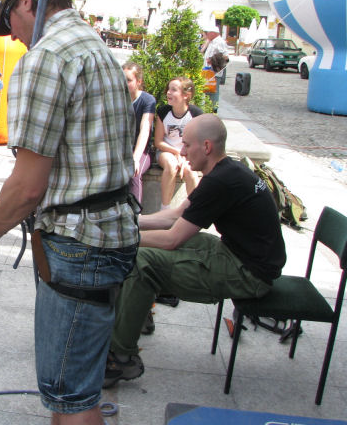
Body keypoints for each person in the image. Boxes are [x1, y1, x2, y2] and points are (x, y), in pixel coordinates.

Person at [0, 0, 138, 425]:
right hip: (107, 233)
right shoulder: (92, 44)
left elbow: (27, 185)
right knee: (72, 392)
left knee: (70, 398)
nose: (15, 36)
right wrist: (1, 217)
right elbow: (70, 161)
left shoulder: (46, 57)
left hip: (80, 243)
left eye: (10, 21)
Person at [104, 114, 287, 388]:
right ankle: (136, 315)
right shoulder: (227, 170)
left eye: (187, 145)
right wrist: (128, 222)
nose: (182, 151)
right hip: (240, 255)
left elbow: (171, 239)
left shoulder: (220, 182)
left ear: (207, 147)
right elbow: (176, 215)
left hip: (249, 275)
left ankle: (121, 358)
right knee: (155, 247)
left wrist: (120, 239)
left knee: (143, 260)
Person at [155, 77, 202, 210]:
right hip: (167, 151)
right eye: (168, 89)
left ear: (186, 95)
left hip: (188, 153)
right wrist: (177, 153)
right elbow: (158, 142)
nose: (168, 92)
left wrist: (185, 157)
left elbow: (198, 142)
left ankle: (194, 210)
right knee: (171, 165)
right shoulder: (163, 112)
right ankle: (165, 209)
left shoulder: (195, 114)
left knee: (191, 172)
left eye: (173, 90)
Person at [122, 61, 155, 205]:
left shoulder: (147, 100)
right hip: (122, 148)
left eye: (129, 80)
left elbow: (145, 129)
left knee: (134, 173)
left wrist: (135, 158)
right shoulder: (117, 99)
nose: (124, 84)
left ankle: (136, 213)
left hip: (141, 150)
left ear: (139, 81)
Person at [202, 25, 229, 108]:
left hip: (214, 72)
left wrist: (212, 60)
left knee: (213, 92)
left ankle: (213, 109)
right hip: (208, 71)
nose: (206, 35)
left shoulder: (220, 42)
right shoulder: (212, 41)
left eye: (207, 33)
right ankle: (208, 108)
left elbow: (225, 57)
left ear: (213, 33)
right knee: (208, 91)